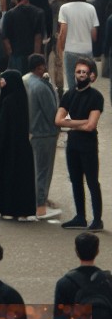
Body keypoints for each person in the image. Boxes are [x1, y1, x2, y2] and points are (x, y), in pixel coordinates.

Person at [57, 57, 104, 231]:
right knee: (76, 180)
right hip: (72, 143)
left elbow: (91, 125)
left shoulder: (96, 96)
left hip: (88, 145)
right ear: (74, 73)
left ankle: (97, 219)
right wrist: (82, 122)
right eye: (78, 71)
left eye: (85, 72)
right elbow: (58, 120)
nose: (81, 74)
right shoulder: (69, 95)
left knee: (92, 181)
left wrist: (70, 123)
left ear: (91, 75)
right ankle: (80, 217)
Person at [0, 70, 38, 220]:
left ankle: (8, 209)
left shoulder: (7, 101)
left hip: (7, 148)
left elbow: (1, 128)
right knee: (21, 180)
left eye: (3, 80)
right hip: (22, 147)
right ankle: (22, 210)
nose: (1, 82)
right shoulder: (22, 99)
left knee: (8, 178)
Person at [23, 54, 61, 219]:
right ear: (40, 67)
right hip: (45, 133)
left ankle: (38, 201)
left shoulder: (26, 81)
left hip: (33, 131)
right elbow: (52, 113)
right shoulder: (41, 87)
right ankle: (41, 205)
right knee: (44, 171)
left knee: (36, 169)